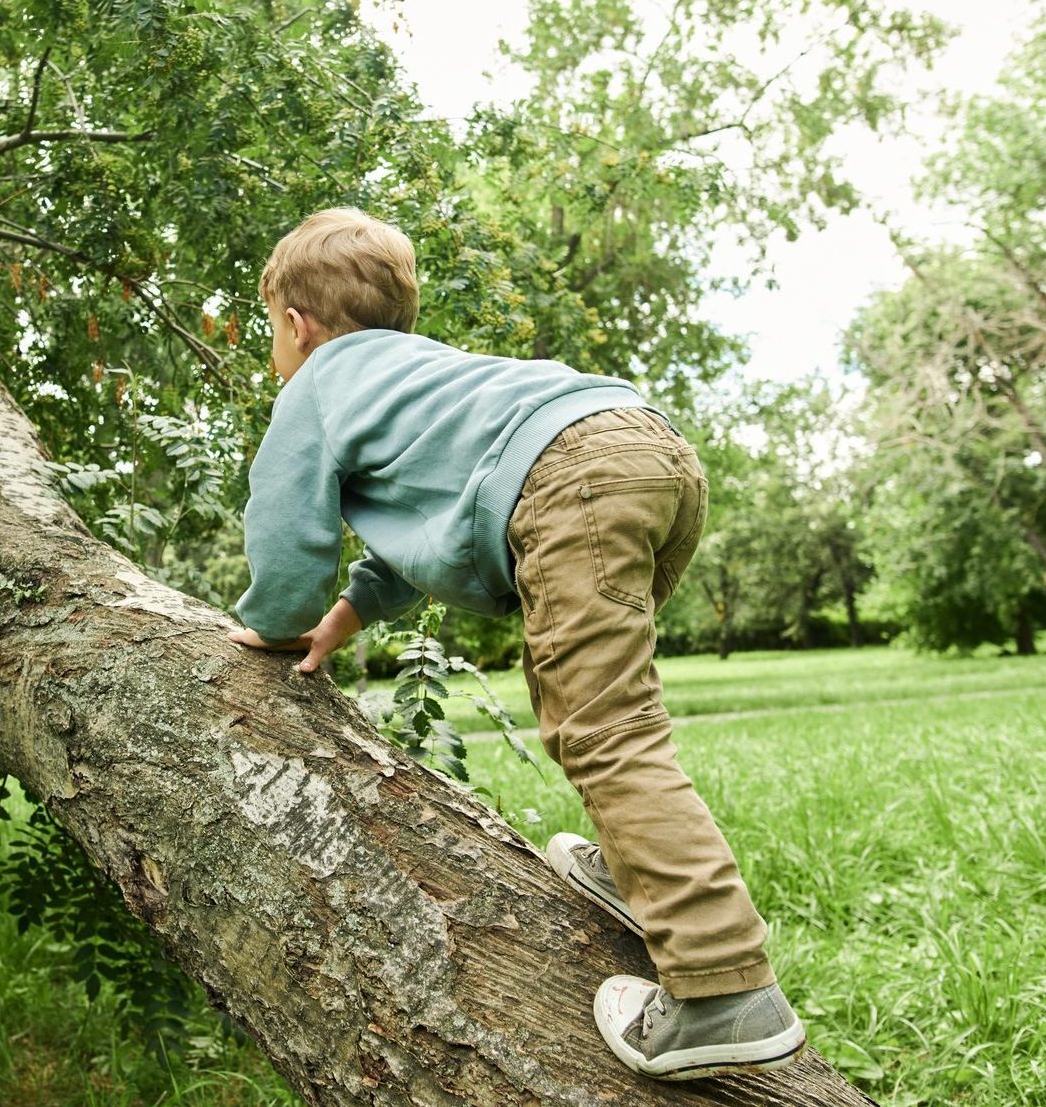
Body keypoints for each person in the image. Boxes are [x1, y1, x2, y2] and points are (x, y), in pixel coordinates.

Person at [225, 208, 806, 1082]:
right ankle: (635, 868)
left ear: (296, 326)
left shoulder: (313, 387)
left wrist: (271, 623)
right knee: (594, 701)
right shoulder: (424, 377)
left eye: (272, 330)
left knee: (603, 729)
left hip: (570, 480)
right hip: (646, 450)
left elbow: (286, 536)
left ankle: (724, 991)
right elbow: (436, 520)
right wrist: (348, 612)